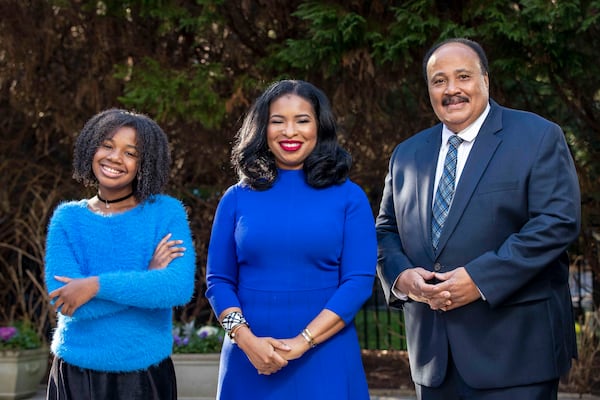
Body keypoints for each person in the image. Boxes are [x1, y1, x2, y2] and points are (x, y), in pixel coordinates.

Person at [376, 38, 581, 399]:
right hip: (434, 358)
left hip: (517, 354)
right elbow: (386, 230)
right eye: (439, 80)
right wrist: (402, 279)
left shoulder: (537, 137)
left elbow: (556, 222)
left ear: (486, 80)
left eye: (463, 77)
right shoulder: (406, 154)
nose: (451, 89)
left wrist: (479, 279)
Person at [205, 79, 377, 399]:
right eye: (277, 121)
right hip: (249, 359)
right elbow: (218, 281)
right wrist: (246, 340)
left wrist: (302, 342)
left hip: (325, 357)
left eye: (302, 120)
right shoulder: (235, 198)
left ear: (319, 127)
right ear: (262, 129)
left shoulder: (349, 198)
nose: (289, 131)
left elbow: (358, 282)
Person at [44, 109, 196, 400]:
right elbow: (68, 302)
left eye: (131, 153)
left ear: (145, 163)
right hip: (77, 374)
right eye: (107, 145)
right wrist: (146, 279)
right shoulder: (68, 219)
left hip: (144, 377)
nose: (115, 158)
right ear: (92, 147)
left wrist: (93, 286)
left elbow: (176, 288)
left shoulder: (165, 213)